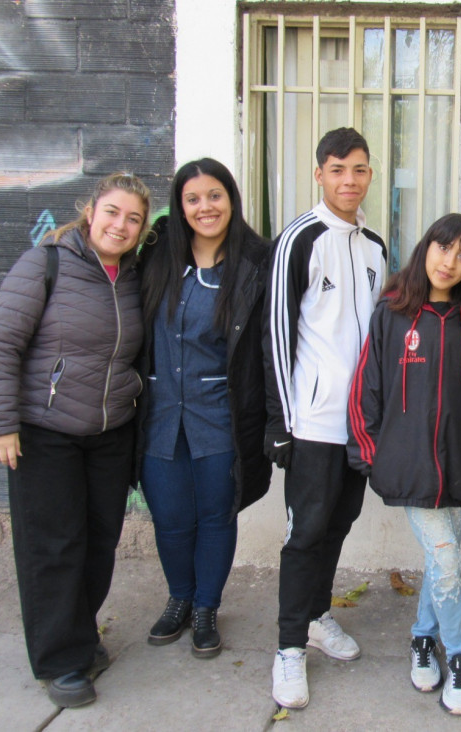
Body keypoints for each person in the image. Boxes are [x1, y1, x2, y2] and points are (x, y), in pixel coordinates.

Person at [0, 173, 150, 707]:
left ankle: (80, 633)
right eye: (113, 212)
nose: (121, 225)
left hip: (108, 433)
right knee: (53, 546)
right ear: (90, 210)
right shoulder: (46, 263)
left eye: (134, 219)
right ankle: (60, 661)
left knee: (99, 540)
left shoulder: (133, 277)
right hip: (43, 432)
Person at [347, 214, 461, 715]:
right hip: (408, 466)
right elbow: (366, 388)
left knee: (438, 564)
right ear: (426, 249)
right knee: (445, 564)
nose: (450, 261)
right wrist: (372, 454)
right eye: (444, 248)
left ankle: (423, 639)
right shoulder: (393, 314)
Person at [265, 127, 387, 709]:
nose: (349, 181)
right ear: (320, 174)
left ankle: (316, 617)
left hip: (358, 428)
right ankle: (289, 648)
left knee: (337, 526)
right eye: (338, 169)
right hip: (311, 422)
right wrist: (282, 422)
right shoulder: (299, 238)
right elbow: (276, 333)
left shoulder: (375, 247)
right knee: (305, 533)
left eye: (359, 170)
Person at [138, 159, 273, 659]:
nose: (205, 207)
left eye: (214, 195)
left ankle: (205, 608)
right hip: (159, 418)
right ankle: (179, 597)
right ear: (180, 206)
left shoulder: (255, 264)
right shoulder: (156, 256)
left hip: (220, 415)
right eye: (193, 199)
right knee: (170, 517)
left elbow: (264, 345)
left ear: (231, 199)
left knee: (216, 515)